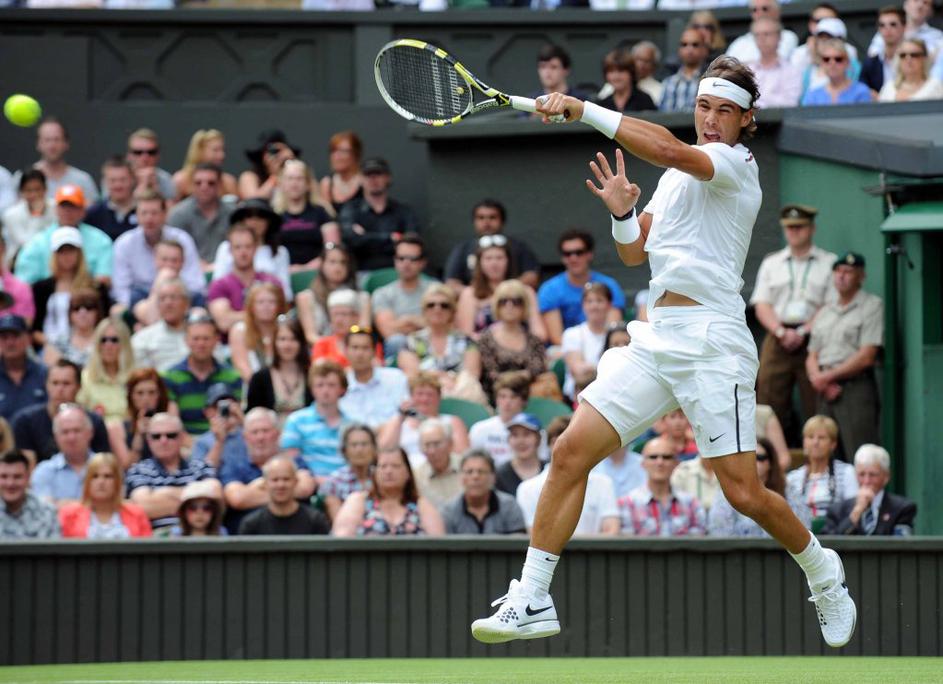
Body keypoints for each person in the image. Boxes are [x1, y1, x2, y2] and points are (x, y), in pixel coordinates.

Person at [471, 56, 856, 649]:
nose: (711, 119)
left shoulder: (735, 165)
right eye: (703, 107)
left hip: (713, 343)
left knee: (743, 493)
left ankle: (823, 571)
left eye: (724, 110)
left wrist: (581, 108)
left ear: (746, 121)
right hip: (657, 335)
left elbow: (671, 150)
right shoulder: (676, 177)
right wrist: (623, 213)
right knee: (569, 451)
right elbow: (635, 252)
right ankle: (534, 595)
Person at [751, 204, 836, 447]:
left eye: (800, 227)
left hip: (814, 336)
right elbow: (762, 304)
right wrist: (781, 331)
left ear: (812, 229)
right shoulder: (772, 262)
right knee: (768, 393)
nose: (794, 232)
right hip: (777, 333)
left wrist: (802, 331)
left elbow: (830, 304)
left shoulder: (828, 262)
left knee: (815, 399)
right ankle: (769, 454)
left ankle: (818, 452)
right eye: (789, 228)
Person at [805, 253, 883, 461]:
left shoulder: (871, 306)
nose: (841, 276)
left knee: (860, 453)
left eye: (848, 272)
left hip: (854, 387)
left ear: (861, 276)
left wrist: (826, 378)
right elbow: (812, 355)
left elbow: (867, 355)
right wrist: (819, 380)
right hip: (824, 390)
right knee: (823, 456)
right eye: (838, 271)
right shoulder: (825, 311)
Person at [220, 407, 315, 534]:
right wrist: (285, 491)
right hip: (247, 537)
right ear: (245, 437)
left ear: (277, 434)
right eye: (255, 432)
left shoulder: (293, 460)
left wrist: (254, 488)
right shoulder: (234, 464)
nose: (260, 437)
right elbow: (237, 499)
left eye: (265, 431)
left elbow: (305, 488)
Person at [111, 190, 205, 310]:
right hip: (141, 299)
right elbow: (121, 289)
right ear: (137, 215)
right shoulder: (124, 243)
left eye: (154, 213)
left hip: (179, 297)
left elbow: (195, 283)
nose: (149, 219)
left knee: (199, 303)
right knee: (125, 305)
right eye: (144, 213)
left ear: (165, 214)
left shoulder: (182, 239)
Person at [125, 412, 217, 532]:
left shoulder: (201, 466)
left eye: (171, 435)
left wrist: (162, 495)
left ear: (182, 437)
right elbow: (144, 508)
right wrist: (195, 499)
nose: (163, 441)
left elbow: (216, 498)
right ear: (148, 440)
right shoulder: (138, 470)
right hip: (157, 540)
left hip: (199, 538)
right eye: (156, 436)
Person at [398, 284, 484, 404]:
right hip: (424, 397)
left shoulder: (467, 341)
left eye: (444, 305)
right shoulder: (411, 342)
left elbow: (472, 374)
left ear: (452, 311)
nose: (437, 309)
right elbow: (412, 375)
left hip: (462, 395)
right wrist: (442, 378)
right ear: (424, 310)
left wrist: (450, 383)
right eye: (431, 305)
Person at [537, 229, 624, 345]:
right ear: (562, 258)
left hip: (604, 347)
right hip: (565, 350)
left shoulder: (609, 285)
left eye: (579, 252)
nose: (573, 258)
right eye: (567, 254)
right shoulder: (550, 289)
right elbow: (557, 339)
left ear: (589, 254)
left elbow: (613, 331)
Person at [517, 437, 619, 536]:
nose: (566, 449)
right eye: (557, 443)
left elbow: (612, 531)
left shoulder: (604, 483)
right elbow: (534, 536)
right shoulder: (527, 488)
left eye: (572, 444)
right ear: (550, 446)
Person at [12, 361, 110, 464]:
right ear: (46, 385)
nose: (60, 389)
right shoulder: (25, 421)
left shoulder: (94, 422)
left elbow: (102, 464)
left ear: (79, 387)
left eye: (66, 383)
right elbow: (26, 467)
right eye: (55, 383)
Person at [333, 446, 444, 537]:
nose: (389, 471)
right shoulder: (358, 501)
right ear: (374, 473)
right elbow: (341, 540)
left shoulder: (421, 504)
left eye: (395, 466)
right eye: (383, 466)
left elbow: (438, 543)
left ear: (408, 473)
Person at [14, 185, 113, 287]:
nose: (68, 211)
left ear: (83, 210)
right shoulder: (37, 242)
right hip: (47, 294)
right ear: (56, 209)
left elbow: (104, 279)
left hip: (88, 293)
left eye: (73, 206)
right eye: (63, 206)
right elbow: (23, 282)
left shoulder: (101, 240)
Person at [709, 437, 809, 536]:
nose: (753, 462)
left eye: (759, 458)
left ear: (770, 462)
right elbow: (719, 533)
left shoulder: (788, 491)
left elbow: (803, 527)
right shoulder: (728, 492)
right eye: (747, 459)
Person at [161, 313, 242, 435]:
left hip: (225, 437)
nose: (201, 344)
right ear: (186, 340)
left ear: (216, 340)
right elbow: (172, 423)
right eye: (196, 338)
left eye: (206, 338)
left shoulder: (232, 376)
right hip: (185, 441)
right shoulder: (170, 377)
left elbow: (236, 418)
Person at [30, 227, 107, 352]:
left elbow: (104, 323)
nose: (67, 256)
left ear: (79, 253)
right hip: (51, 348)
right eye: (62, 251)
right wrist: (54, 346)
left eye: (71, 250)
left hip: (89, 347)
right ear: (54, 255)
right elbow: (35, 328)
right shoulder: (41, 288)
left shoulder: (95, 287)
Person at [338, 158, 420, 273]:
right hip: (360, 272)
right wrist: (391, 238)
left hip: (396, 272)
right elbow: (351, 240)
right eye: (368, 174)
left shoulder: (403, 211)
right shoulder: (350, 209)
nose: (373, 179)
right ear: (360, 179)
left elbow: (411, 244)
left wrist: (365, 236)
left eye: (378, 174)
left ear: (388, 177)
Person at [456, 239, 545, 343]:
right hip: (484, 349)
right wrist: (497, 344)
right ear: (479, 263)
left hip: (522, 348)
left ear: (509, 261)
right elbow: (466, 335)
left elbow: (540, 333)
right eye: (488, 258)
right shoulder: (469, 293)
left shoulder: (526, 292)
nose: (494, 263)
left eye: (499, 258)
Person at [615, 437, 706, 537]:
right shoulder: (627, 504)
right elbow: (627, 544)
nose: (660, 462)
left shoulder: (691, 504)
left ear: (676, 463)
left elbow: (698, 543)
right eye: (653, 457)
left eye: (666, 457)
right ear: (642, 463)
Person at [479, 279, 553, 403]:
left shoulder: (534, 340)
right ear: (496, 305)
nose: (509, 306)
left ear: (524, 306)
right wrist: (524, 375)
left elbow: (539, 371)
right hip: (495, 401)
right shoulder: (485, 339)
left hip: (531, 401)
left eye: (516, 301)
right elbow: (490, 374)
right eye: (503, 301)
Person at [442, 200, 540, 292]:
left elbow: (531, 276)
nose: (486, 222)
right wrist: (476, 294)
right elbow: (451, 283)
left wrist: (504, 292)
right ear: (474, 221)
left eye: (492, 217)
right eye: (481, 218)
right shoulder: (463, 249)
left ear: (502, 221)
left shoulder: (518, 247)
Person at [821, 444, 917, 536]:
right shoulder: (837, 510)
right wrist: (856, 513)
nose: (866, 481)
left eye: (873, 475)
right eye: (862, 474)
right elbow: (829, 543)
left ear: (886, 477)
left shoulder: (902, 508)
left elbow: (900, 543)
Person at [377, 371, 470, 464]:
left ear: (439, 398)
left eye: (430, 395)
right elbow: (383, 451)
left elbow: (462, 454)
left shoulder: (451, 422)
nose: (424, 399)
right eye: (419, 394)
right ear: (411, 397)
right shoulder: (399, 424)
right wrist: (400, 416)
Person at [206, 223, 284, 334]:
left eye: (248, 246)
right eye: (238, 247)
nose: (243, 252)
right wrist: (262, 314)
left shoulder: (272, 282)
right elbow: (224, 322)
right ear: (230, 250)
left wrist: (236, 316)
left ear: (256, 248)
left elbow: (280, 316)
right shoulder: (219, 285)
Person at [280, 360, 349, 479]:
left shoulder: (353, 425)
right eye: (320, 385)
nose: (325, 390)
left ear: (342, 389)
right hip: (307, 482)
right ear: (312, 389)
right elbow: (291, 458)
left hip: (344, 483)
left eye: (331, 385)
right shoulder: (296, 420)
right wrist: (314, 479)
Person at [371, 233, 437, 357]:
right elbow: (388, 332)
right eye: (401, 258)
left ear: (422, 262)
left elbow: (443, 327)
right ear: (395, 260)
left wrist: (409, 320)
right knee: (397, 341)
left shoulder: (436, 290)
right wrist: (423, 324)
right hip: (399, 350)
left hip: (433, 345)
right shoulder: (382, 293)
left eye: (413, 259)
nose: (406, 263)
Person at [211, 199, 291, 300]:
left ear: (269, 221)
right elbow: (217, 287)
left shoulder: (280, 252)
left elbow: (286, 294)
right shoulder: (225, 247)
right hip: (232, 302)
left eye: (260, 216)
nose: (254, 222)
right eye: (249, 216)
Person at [59, 452, 152, 538]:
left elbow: (147, 548)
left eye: (107, 476)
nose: (101, 481)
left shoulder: (137, 514)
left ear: (117, 481)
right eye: (95, 476)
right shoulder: (69, 515)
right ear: (87, 481)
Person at [295, 242, 371, 344]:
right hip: (320, 348)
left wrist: (346, 348)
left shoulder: (363, 298)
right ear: (322, 264)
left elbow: (363, 331)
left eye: (343, 262)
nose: (338, 267)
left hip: (354, 349)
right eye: (332, 262)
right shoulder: (305, 298)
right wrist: (332, 348)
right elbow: (311, 336)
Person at [786, 415, 857, 523]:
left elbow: (852, 511)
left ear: (833, 444)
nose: (815, 442)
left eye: (821, 438)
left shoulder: (847, 472)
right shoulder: (792, 478)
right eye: (810, 437)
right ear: (804, 442)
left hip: (834, 531)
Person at [272, 159, 339, 271]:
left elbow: (333, 249)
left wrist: (306, 268)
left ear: (308, 184)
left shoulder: (322, 212)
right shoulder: (273, 216)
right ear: (281, 183)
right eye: (290, 178)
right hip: (282, 273)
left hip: (317, 272)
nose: (294, 183)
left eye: (299, 178)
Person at [237, 455, 329, 535]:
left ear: (295, 482)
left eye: (286, 479)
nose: (280, 485)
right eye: (275, 480)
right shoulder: (251, 525)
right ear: (265, 484)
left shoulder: (315, 521)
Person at [441, 450, 527, 535]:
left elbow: (518, 541)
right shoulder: (449, 511)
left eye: (481, 471)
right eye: (469, 472)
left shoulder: (509, 506)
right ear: (461, 477)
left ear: (493, 477)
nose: (475, 477)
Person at [339, 326, 409, 428]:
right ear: (345, 351)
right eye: (355, 347)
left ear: (375, 351)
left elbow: (405, 412)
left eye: (365, 348)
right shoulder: (339, 385)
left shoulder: (395, 378)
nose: (359, 353)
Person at [166, 163, 236, 265]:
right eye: (198, 183)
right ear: (191, 185)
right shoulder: (178, 214)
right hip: (188, 269)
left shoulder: (233, 214)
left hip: (227, 269)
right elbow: (171, 250)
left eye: (211, 183)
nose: (204, 187)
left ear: (220, 185)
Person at [246, 316, 313, 420]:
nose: (287, 345)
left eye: (293, 339)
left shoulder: (312, 375)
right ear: (274, 343)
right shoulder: (260, 378)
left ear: (301, 343)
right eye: (282, 339)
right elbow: (252, 415)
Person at [29, 404, 96, 507]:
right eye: (65, 432)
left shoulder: (106, 467)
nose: (71, 438)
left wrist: (60, 503)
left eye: (77, 430)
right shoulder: (44, 471)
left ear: (90, 433)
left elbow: (114, 506)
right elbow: (45, 510)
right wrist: (92, 505)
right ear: (56, 437)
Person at [107, 367, 170, 470]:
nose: (146, 399)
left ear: (159, 395)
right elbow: (127, 469)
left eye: (151, 392)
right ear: (131, 396)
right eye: (140, 393)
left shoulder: (170, 425)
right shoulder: (116, 428)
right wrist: (139, 435)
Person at [27, 117, 99, 204]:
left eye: (56, 139)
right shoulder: (23, 179)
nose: (52, 145)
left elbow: (92, 210)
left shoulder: (83, 180)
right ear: (38, 144)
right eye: (47, 140)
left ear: (66, 143)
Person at [76, 317, 133, 421]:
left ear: (125, 344)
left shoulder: (135, 377)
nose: (108, 345)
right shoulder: (85, 378)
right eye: (103, 340)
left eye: (114, 340)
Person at [561, 282, 611, 401]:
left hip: (609, 396)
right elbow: (578, 370)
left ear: (609, 305)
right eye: (589, 301)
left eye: (599, 300)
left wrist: (590, 367)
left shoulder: (615, 334)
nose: (594, 306)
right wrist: (607, 371)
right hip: (577, 398)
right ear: (583, 305)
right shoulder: (572, 334)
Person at [228, 282, 286, 382]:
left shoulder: (285, 329)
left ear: (279, 305)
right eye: (260, 302)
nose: (266, 306)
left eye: (272, 302)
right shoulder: (240, 330)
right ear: (251, 306)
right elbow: (242, 367)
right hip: (254, 385)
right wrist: (263, 388)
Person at [130, 278, 190, 371]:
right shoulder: (142, 339)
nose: (168, 303)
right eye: (162, 299)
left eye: (173, 297)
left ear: (186, 303)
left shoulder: (200, 336)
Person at [311, 290, 382, 368]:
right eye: (335, 314)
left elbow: (376, 367)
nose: (339, 320)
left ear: (356, 317)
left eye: (344, 314)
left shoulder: (369, 343)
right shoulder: (322, 344)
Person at [320, 423, 376, 521]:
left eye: (364, 444)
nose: (359, 450)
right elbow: (339, 521)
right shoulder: (334, 481)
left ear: (374, 448)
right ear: (344, 450)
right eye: (354, 445)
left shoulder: (382, 477)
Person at [0, 449, 60, 539]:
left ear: (28, 478)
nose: (10, 483)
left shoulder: (46, 512)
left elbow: (54, 547)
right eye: (4, 477)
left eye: (17, 477)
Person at [42, 286, 106, 367]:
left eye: (89, 307)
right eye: (76, 308)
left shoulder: (108, 341)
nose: (82, 312)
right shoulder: (56, 342)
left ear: (98, 312)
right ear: (70, 314)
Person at [2, 170, 56, 266]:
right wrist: (37, 214)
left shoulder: (57, 208)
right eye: (28, 190)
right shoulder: (11, 215)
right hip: (20, 263)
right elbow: (29, 246)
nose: (34, 195)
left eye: (37, 189)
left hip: (53, 259)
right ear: (21, 192)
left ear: (45, 189)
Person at [0, 314, 47, 421]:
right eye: (4, 337)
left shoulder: (44, 374)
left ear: (29, 339)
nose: (10, 343)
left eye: (15, 336)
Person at [190, 383, 247, 470]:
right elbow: (203, 474)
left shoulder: (249, 434)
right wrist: (219, 441)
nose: (227, 410)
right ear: (207, 412)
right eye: (218, 406)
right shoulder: (202, 442)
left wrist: (242, 418)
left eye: (229, 404)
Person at [749, 17, 802, 108]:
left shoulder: (792, 70)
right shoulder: (748, 70)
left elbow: (791, 103)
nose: (761, 39)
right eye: (757, 35)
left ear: (779, 37)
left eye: (766, 34)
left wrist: (757, 98)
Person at [801, 39, 872, 106]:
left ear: (847, 62)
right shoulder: (812, 95)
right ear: (821, 63)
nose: (832, 63)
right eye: (826, 59)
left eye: (838, 59)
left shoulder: (861, 92)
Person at [867, 0, 943, 62]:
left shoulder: (937, 37)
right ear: (906, 4)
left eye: (925, 3)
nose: (920, 5)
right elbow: (873, 56)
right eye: (915, 0)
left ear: (931, 11)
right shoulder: (887, 29)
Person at [173, 129, 239, 200]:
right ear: (200, 151)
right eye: (215, 150)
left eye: (222, 150)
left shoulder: (228, 182)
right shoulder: (181, 180)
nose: (222, 155)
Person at [726, 0, 799, 64]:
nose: (759, 13)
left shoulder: (787, 36)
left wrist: (740, 67)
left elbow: (773, 61)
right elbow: (725, 67)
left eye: (765, 9)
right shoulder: (739, 42)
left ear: (777, 11)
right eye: (754, 10)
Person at [84, 157, 138, 241]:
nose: (118, 185)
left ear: (132, 180)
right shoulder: (93, 214)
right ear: (104, 182)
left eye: (123, 180)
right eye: (112, 180)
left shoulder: (144, 211)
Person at [412, 417, 463, 508]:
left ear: (450, 444)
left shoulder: (467, 468)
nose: (432, 451)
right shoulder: (416, 477)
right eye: (427, 445)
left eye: (437, 444)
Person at [525, 45, 591, 113]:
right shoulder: (531, 101)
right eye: (543, 66)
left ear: (566, 70)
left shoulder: (581, 100)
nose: (547, 72)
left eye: (553, 67)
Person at [239, 129, 299, 201]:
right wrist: (274, 176)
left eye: (281, 150)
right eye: (274, 151)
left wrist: (290, 160)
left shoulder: (296, 178)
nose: (278, 156)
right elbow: (253, 202)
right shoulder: (249, 176)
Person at [494, 413, 545, 497]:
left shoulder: (549, 470)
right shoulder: (499, 475)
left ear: (538, 438)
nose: (521, 441)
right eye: (515, 435)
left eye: (526, 434)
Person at [659, 29, 710, 112]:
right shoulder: (668, 83)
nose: (689, 49)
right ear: (679, 49)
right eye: (684, 45)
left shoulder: (709, 82)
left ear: (704, 49)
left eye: (695, 45)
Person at [860, 7, 908, 94]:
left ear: (904, 27)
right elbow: (862, 88)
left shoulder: (914, 58)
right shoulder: (871, 63)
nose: (887, 29)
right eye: (882, 25)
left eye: (893, 24)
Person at [879, 39, 943, 101]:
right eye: (903, 55)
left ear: (924, 58)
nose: (908, 59)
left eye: (914, 55)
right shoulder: (888, 88)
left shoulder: (935, 86)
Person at [122, 128, 176, 202]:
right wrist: (142, 185)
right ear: (129, 155)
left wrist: (156, 189)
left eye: (151, 152)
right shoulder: (118, 179)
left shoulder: (165, 179)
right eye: (138, 152)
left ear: (158, 155)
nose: (145, 157)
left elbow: (172, 207)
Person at [596, 48, 656, 113]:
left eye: (621, 71)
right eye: (611, 71)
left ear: (631, 73)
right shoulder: (603, 104)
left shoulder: (645, 100)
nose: (616, 76)